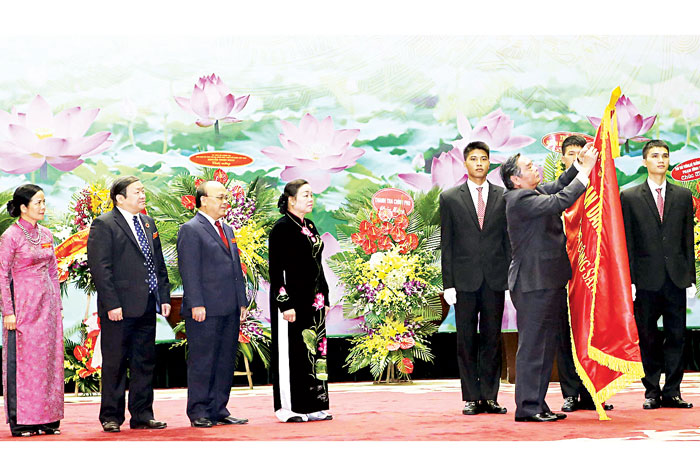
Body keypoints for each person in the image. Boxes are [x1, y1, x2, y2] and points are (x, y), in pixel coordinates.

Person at [500, 144, 598, 422]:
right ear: (516, 179)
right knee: (533, 347)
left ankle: (537, 403)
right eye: (529, 167)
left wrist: (578, 164)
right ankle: (527, 407)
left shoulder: (533, 192)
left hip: (548, 281)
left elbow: (560, 185)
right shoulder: (518, 199)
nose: (536, 169)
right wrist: (587, 172)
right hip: (533, 283)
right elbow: (560, 201)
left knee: (544, 346)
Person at [87, 176, 171, 433]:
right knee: (115, 363)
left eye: (143, 191)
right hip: (119, 308)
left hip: (146, 304)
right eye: (137, 192)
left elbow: (158, 263)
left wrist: (164, 297)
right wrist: (112, 304)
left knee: (144, 362)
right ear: (120, 198)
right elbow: (101, 268)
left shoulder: (147, 222)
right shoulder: (104, 224)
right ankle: (111, 416)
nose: (143, 196)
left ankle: (142, 414)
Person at [620, 139, 695, 410]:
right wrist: (629, 280)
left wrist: (690, 277)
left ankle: (672, 391)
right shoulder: (629, 196)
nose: (660, 160)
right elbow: (627, 241)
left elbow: (687, 239)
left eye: (664, 155)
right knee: (648, 337)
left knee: (677, 336)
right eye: (654, 156)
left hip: (675, 278)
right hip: (645, 279)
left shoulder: (683, 196)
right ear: (644, 161)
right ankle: (651, 390)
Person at [440, 141, 510, 415]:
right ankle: (471, 396)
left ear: (490, 162)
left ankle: (490, 396)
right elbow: (447, 244)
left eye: (483, 158)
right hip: (464, 281)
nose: (479, 163)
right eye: (473, 158)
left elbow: (507, 241)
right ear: (465, 163)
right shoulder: (450, 198)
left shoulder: (503, 196)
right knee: (466, 340)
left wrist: (509, 278)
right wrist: (448, 285)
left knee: (492, 339)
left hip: (494, 280)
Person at [177, 180, 249, 428]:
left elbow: (236, 269)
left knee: (225, 360)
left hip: (229, 307)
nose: (225, 202)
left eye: (226, 197)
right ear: (203, 200)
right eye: (220, 197)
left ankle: (219, 409)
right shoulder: (191, 229)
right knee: (203, 360)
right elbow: (189, 270)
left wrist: (241, 301)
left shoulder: (227, 229)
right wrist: (196, 303)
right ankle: (199, 411)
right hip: (204, 309)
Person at [0, 185, 63, 437]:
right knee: (25, 362)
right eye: (38, 202)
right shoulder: (11, 236)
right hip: (23, 306)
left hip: (47, 307)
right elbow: (2, 275)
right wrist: (8, 311)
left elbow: (53, 271)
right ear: (23, 207)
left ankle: (48, 419)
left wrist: (57, 305)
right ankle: (22, 421)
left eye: (44, 201)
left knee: (48, 361)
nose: (43, 207)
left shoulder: (46, 234)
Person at [556, 135, 613, 413]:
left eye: (582, 152)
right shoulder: (553, 190)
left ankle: (593, 390)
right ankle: (570, 392)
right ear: (562, 158)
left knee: (594, 329)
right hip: (561, 273)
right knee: (565, 333)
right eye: (571, 153)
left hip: (593, 274)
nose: (578, 157)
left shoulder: (599, 190)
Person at [269, 179, 331, 423]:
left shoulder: (310, 226)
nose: (310, 199)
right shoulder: (281, 228)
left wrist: (325, 296)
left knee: (314, 352)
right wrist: (284, 303)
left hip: (314, 301)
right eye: (305, 195)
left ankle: (313, 404)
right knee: (292, 353)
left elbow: (318, 265)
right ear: (291, 200)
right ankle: (289, 408)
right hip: (292, 303)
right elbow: (276, 271)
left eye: (311, 194)